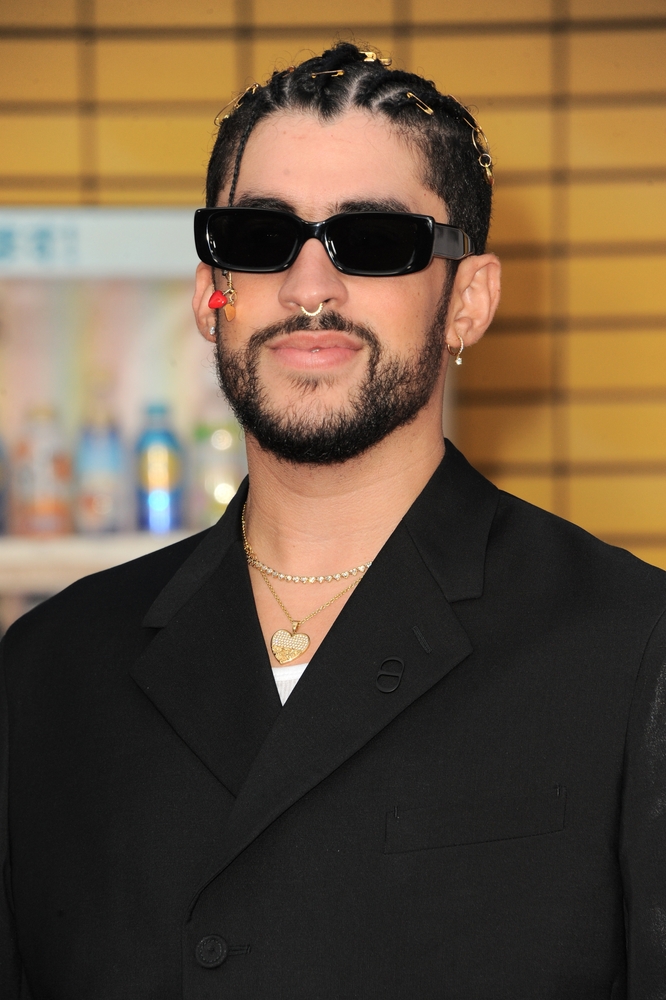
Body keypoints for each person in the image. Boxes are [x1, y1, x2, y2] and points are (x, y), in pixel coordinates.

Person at [1, 41, 665, 1000]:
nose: (309, 287)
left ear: (468, 300)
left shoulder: (629, 647)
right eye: (260, 236)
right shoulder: (50, 671)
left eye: (375, 241)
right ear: (210, 295)